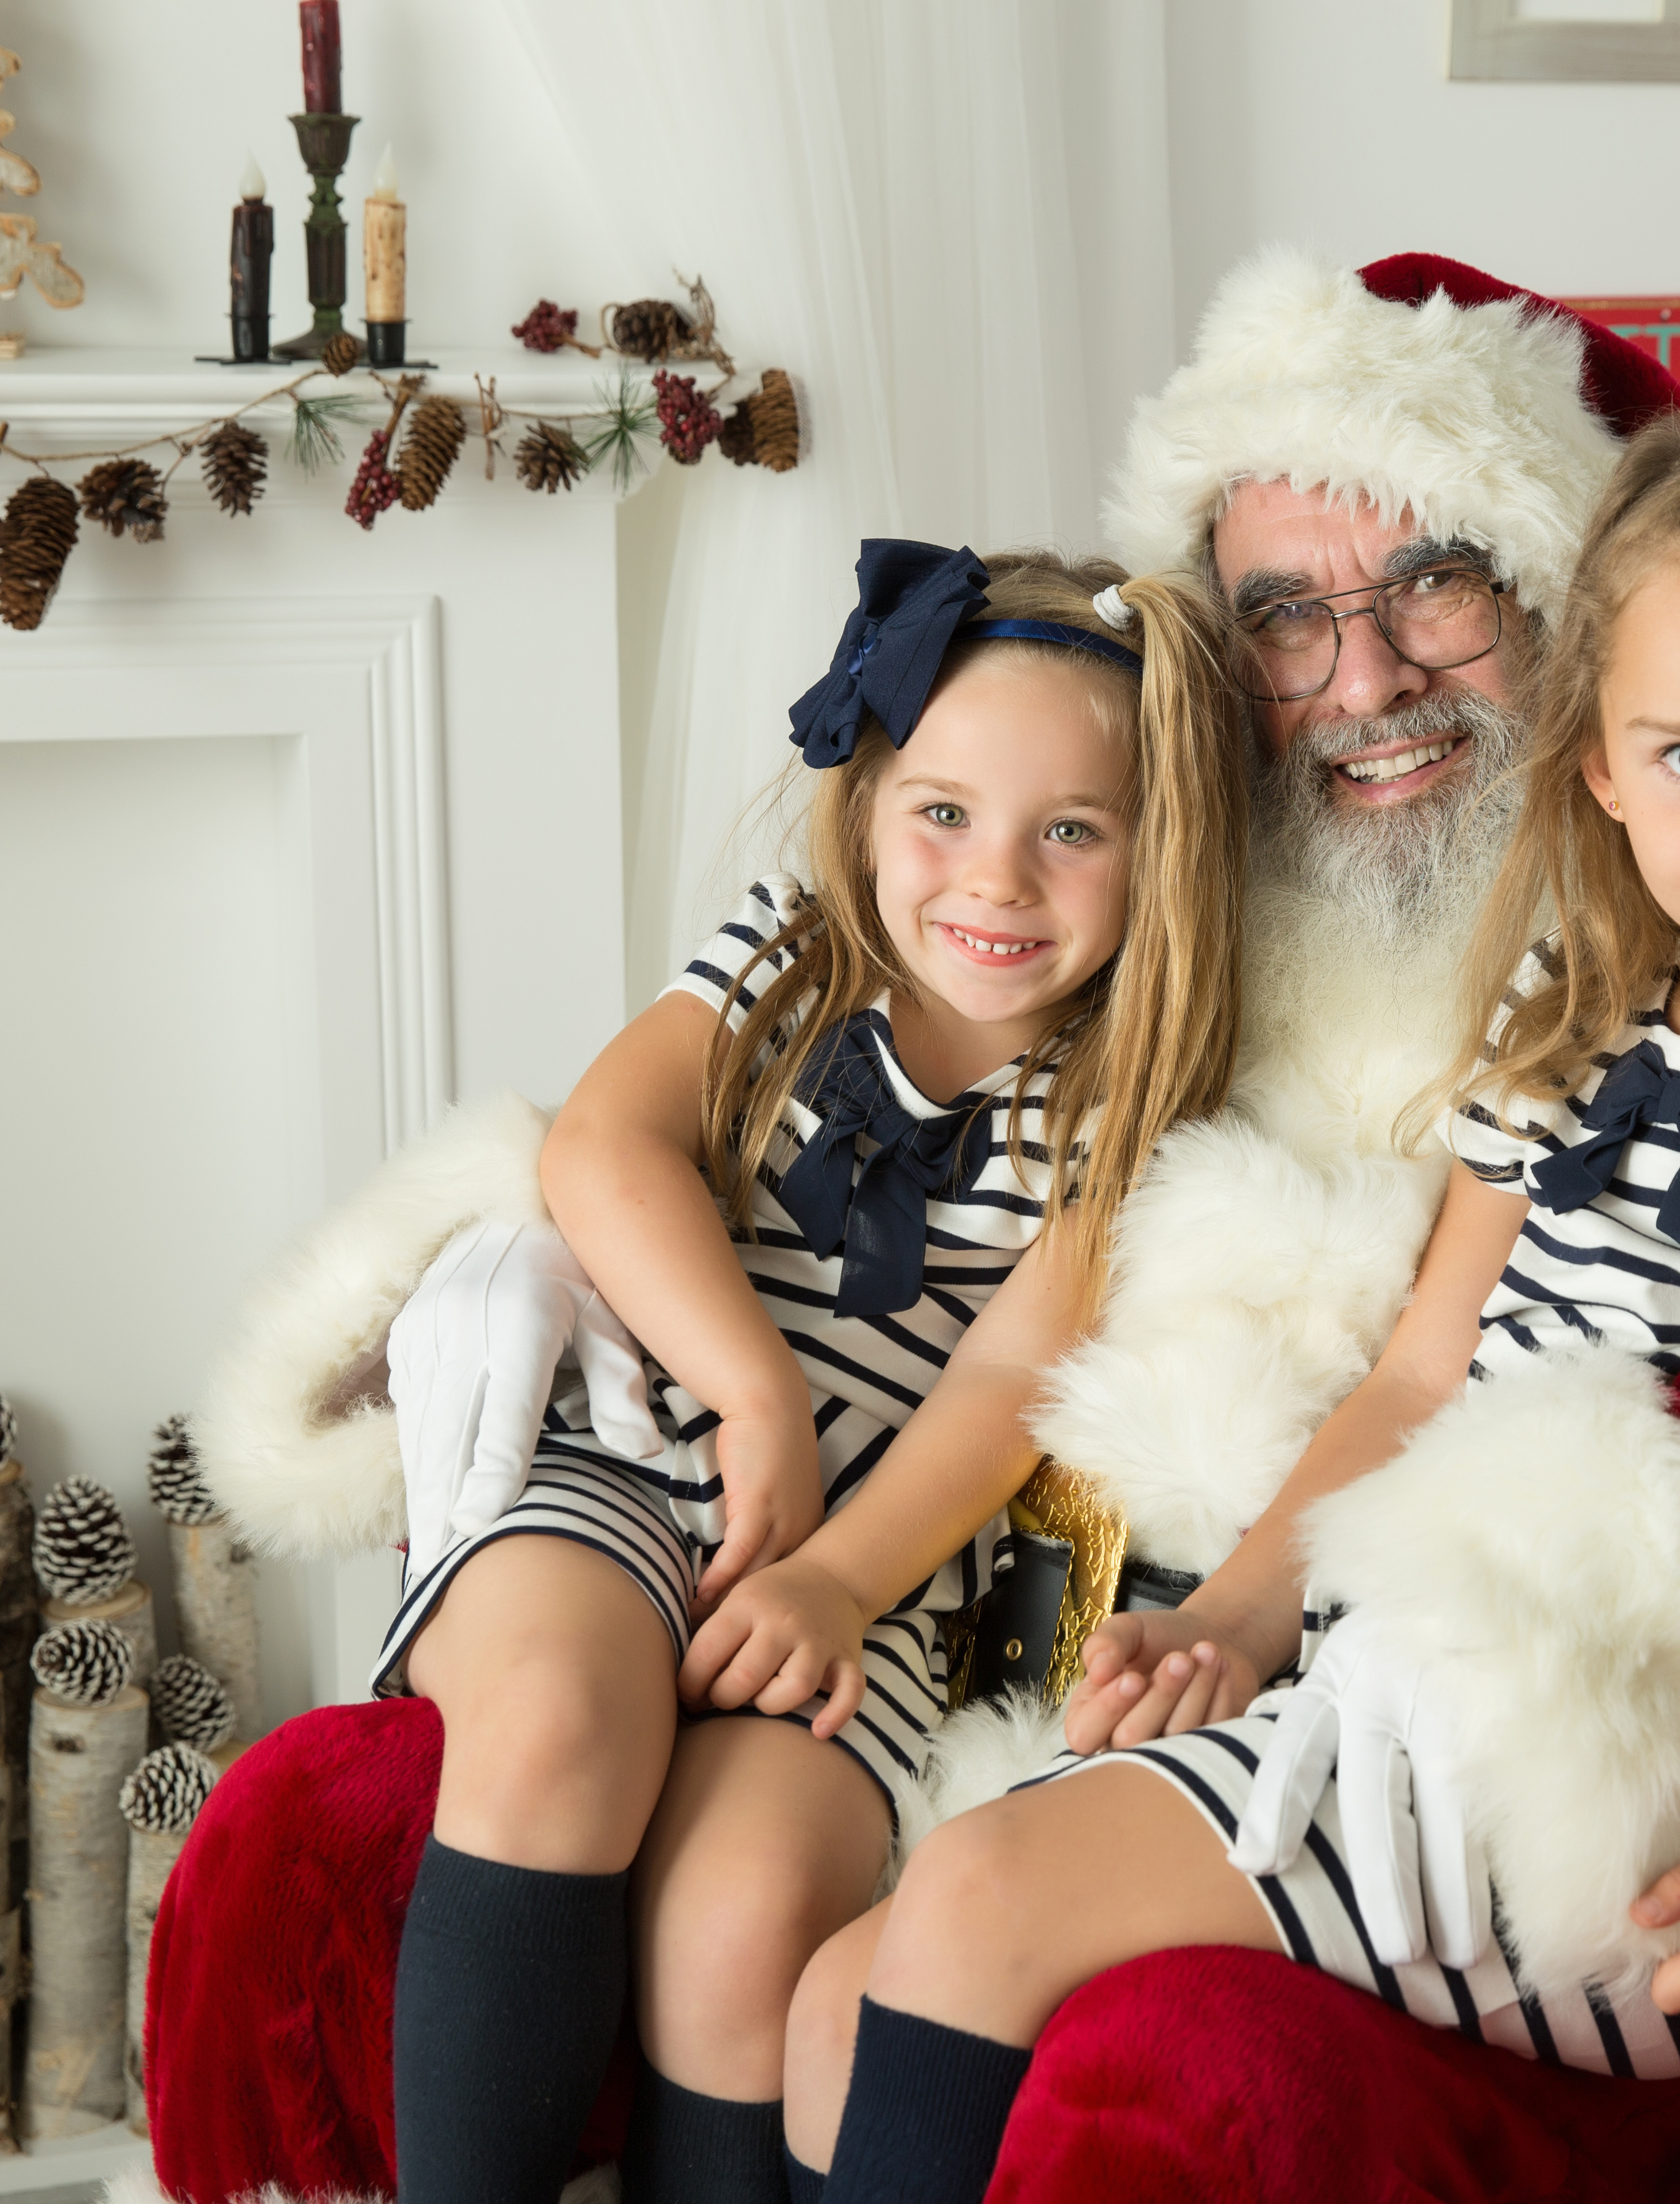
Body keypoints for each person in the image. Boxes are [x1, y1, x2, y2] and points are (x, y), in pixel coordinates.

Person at [801, 400, 1680, 2204]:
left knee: (982, 1903)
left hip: (1619, 1770)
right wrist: (1231, 1617)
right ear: (1598, 763)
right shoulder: (1568, 1021)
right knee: (845, 1994)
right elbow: (1416, 1379)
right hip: (1404, 1692)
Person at [365, 546, 1250, 2204]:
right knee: (558, 1718)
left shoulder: (1125, 1092)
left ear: (1157, 855)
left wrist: (838, 1576)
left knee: (744, 1909)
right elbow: (604, 1145)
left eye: (1073, 831)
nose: (997, 881)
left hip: (883, 1559)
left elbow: (1007, 1386)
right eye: (943, 814)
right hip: (636, 1452)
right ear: (862, 805)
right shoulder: (788, 962)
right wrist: (755, 1394)